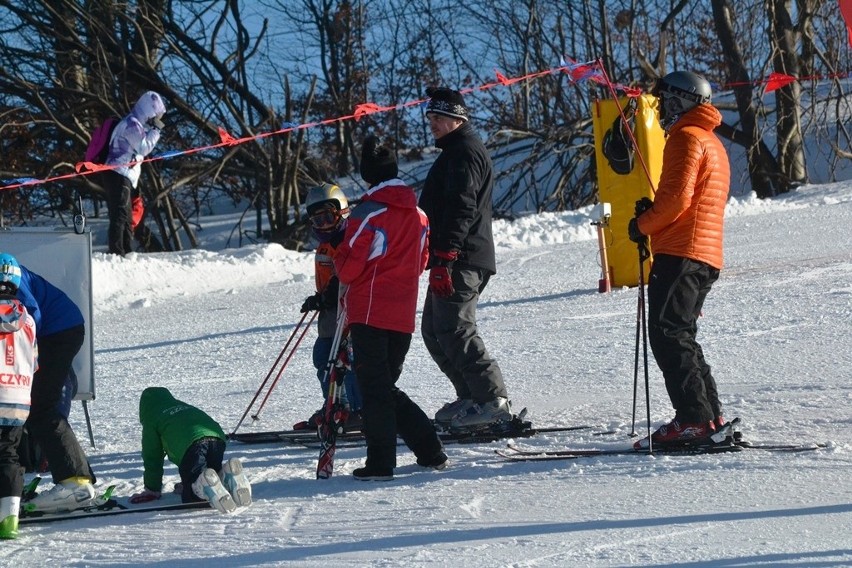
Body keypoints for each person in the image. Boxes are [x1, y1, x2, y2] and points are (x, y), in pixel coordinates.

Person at [627, 70, 731, 449]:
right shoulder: (710, 141)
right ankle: (708, 416)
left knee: (668, 334)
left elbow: (675, 201)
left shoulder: (686, 138)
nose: (661, 109)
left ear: (681, 101)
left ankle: (694, 420)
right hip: (702, 253)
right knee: (681, 334)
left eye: (664, 102)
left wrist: (642, 224)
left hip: (682, 252)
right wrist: (653, 214)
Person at [334, 136, 446, 481]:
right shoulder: (419, 214)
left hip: (370, 310)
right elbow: (423, 260)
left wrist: (336, 251)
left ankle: (382, 462)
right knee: (383, 387)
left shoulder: (368, 212)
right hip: (402, 312)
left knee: (375, 390)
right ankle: (429, 450)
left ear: (368, 175)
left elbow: (349, 268)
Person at [418, 86, 512, 430]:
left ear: (458, 118)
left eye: (439, 117)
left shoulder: (465, 152)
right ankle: (472, 395)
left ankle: (492, 399)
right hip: (452, 256)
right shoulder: (453, 152)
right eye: (430, 117)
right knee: (434, 330)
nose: (433, 123)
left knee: (455, 328)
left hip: (462, 257)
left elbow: (462, 206)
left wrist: (446, 256)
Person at [13, 261, 96, 512]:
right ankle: (78, 478)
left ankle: (75, 481)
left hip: (59, 331)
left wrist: (26, 351)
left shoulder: (5, 268)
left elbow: (31, 313)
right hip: (52, 330)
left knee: (40, 407)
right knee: (24, 404)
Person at [294, 183, 363, 432]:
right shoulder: (324, 245)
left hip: (350, 311)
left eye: (327, 217)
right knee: (323, 357)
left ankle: (357, 409)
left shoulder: (350, 238)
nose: (323, 224)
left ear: (342, 211)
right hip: (329, 314)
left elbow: (349, 273)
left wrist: (330, 295)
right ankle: (334, 405)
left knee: (346, 360)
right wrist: (319, 298)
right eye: (317, 220)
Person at [131, 387, 251, 514]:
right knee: (212, 476)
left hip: (191, 444)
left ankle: (199, 484)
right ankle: (226, 475)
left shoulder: (152, 418)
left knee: (193, 495)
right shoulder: (181, 405)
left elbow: (152, 456)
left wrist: (152, 488)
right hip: (217, 437)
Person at [0, 254, 38, 539]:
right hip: (18, 398)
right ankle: (9, 521)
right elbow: (33, 362)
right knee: (8, 455)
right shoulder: (28, 320)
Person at [102, 90, 166, 256]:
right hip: (118, 172)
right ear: (148, 111)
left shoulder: (135, 125)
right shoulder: (132, 124)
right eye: (154, 115)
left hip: (123, 175)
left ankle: (125, 249)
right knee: (120, 213)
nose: (154, 120)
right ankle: (117, 251)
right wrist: (156, 131)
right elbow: (144, 148)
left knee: (127, 215)